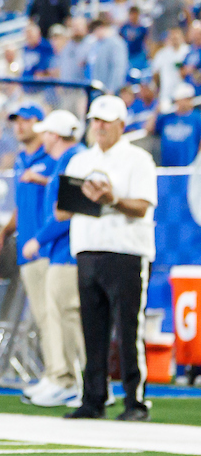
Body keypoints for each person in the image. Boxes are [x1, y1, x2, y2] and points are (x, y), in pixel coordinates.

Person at [61, 95, 157, 422]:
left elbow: (142, 206)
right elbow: (63, 209)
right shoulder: (80, 160)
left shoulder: (138, 159)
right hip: (88, 249)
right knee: (93, 329)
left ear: (121, 125)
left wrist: (111, 199)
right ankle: (93, 399)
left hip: (126, 251)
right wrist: (91, 199)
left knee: (128, 329)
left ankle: (135, 401)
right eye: (95, 121)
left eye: (105, 121)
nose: (99, 127)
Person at [0, 104, 57, 396]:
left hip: (48, 247)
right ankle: (54, 375)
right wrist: (4, 232)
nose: (20, 126)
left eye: (26, 121)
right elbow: (21, 204)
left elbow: (65, 195)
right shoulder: (21, 159)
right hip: (27, 246)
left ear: (40, 124)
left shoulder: (53, 156)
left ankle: (61, 377)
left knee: (53, 315)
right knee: (42, 316)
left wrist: (44, 180)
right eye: (16, 121)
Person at [19, 110, 85, 407]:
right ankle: (70, 380)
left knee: (66, 318)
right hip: (60, 250)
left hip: (66, 250)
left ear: (54, 135)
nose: (42, 139)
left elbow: (67, 211)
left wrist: (39, 238)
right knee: (60, 317)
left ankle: (76, 382)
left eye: (46, 133)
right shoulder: (66, 160)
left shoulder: (74, 159)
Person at [153, 81, 201, 167]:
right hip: (168, 166)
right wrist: (156, 111)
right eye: (184, 99)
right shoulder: (167, 117)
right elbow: (149, 129)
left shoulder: (197, 117)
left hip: (189, 166)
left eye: (189, 99)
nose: (187, 102)